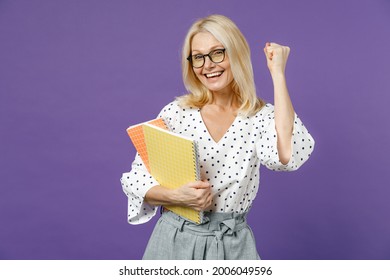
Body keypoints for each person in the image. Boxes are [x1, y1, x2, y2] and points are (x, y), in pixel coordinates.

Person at [120, 14, 314, 260]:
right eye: (198, 57)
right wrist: (176, 196)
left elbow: (285, 157)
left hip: (231, 244)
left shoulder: (260, 117)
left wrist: (278, 74)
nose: (207, 65)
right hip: (173, 240)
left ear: (237, 54)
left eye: (217, 53)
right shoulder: (177, 113)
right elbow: (135, 181)